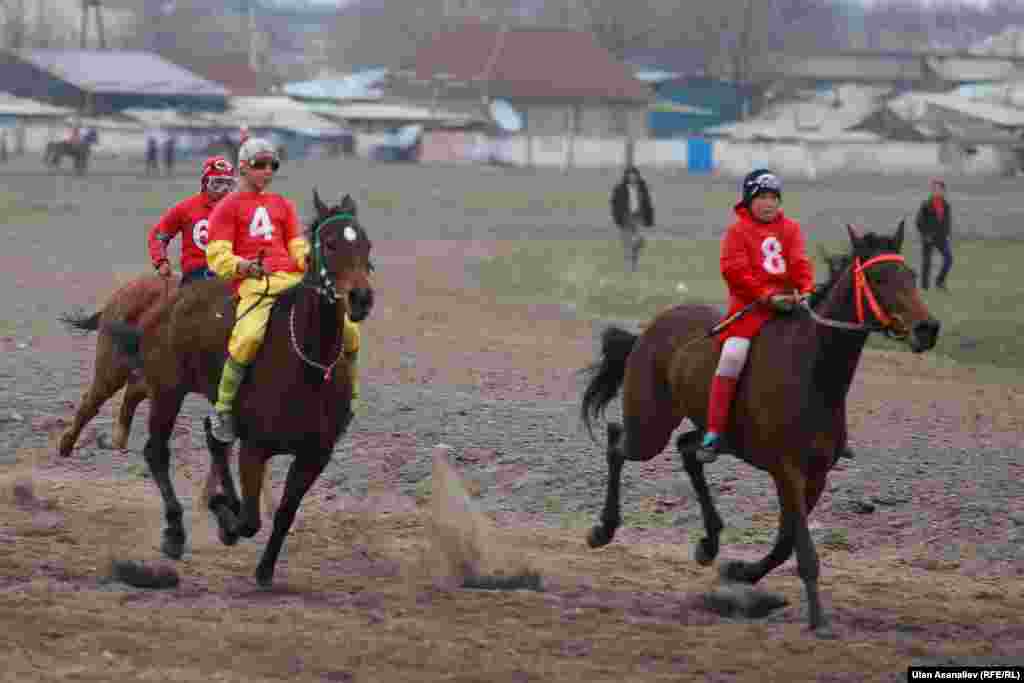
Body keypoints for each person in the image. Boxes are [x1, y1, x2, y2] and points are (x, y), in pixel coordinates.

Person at [205, 137, 361, 443]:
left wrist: (306, 259)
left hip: (292, 280)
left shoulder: (282, 204)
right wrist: (244, 266)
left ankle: (351, 397)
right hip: (255, 284)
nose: (267, 171)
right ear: (242, 167)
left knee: (350, 330)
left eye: (272, 165)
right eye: (260, 165)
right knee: (248, 338)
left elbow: (296, 244)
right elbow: (217, 254)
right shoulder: (227, 207)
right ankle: (223, 408)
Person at [697, 169, 815, 464]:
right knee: (732, 357)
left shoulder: (791, 229)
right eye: (762, 197)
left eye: (774, 197)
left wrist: (806, 290)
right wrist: (766, 296)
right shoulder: (737, 232)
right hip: (749, 311)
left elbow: (799, 263)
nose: (768, 203)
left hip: (790, 307)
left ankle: (826, 431)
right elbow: (734, 271)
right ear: (749, 200)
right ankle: (713, 432)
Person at [148, 155, 237, 286]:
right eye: (217, 183)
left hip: (231, 273)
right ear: (205, 183)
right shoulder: (186, 208)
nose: (224, 190)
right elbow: (158, 236)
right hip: (196, 276)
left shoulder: (240, 210)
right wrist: (161, 261)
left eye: (228, 184)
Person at [610, 165, 654, 271]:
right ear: (626, 176)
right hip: (626, 217)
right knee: (627, 243)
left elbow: (648, 203)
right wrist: (618, 217)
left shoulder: (642, 188)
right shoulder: (620, 188)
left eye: (634, 175)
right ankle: (629, 266)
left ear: (637, 176)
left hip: (639, 217)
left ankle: (634, 259)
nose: (632, 178)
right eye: (630, 176)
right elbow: (614, 204)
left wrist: (649, 218)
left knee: (640, 240)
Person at [915, 178, 953, 291]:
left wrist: (947, 234)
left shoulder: (946, 205)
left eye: (939, 189)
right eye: (934, 189)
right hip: (928, 237)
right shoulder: (926, 204)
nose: (936, 191)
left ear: (943, 191)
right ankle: (924, 287)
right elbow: (919, 221)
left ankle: (939, 282)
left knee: (949, 259)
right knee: (927, 262)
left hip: (941, 238)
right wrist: (925, 235)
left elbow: (947, 222)